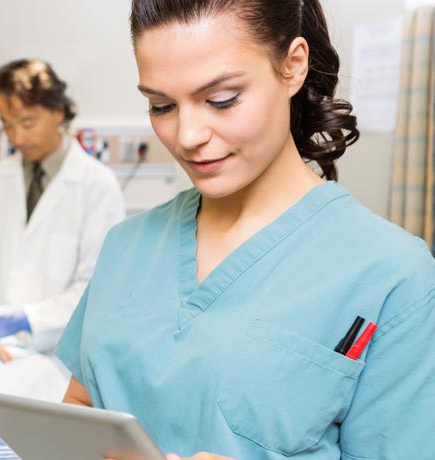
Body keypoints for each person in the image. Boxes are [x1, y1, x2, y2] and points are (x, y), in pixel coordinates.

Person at [56, 1, 435, 459]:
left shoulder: (393, 274)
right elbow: (79, 407)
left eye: (221, 100)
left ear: (293, 66)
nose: (188, 135)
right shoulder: (126, 245)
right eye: (161, 106)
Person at [0, 59, 126, 354]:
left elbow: (95, 290)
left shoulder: (97, 187)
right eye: (7, 125)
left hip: (59, 356)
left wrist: (29, 319)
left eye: (27, 123)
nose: (17, 138)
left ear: (58, 112)